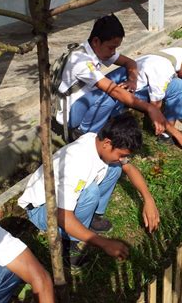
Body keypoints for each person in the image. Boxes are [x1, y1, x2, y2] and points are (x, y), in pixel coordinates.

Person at [18, 113, 160, 267]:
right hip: (42, 210)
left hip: (59, 203)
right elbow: (62, 214)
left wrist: (149, 199)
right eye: (121, 155)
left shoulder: (96, 140)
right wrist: (104, 243)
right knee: (90, 193)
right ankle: (69, 246)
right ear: (107, 143)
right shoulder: (77, 162)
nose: (122, 158)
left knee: (115, 169)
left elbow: (129, 168)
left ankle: (93, 218)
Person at [56, 14, 166, 139]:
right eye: (111, 47)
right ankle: (84, 134)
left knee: (123, 75)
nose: (113, 52)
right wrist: (150, 108)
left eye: (116, 48)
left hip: (88, 98)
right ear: (96, 41)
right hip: (72, 113)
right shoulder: (80, 61)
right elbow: (114, 91)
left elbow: (130, 63)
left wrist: (132, 81)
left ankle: (109, 118)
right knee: (111, 94)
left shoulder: (96, 49)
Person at [110, 47, 182, 143]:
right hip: (130, 92)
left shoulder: (181, 52)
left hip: (142, 80)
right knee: (178, 85)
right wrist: (176, 133)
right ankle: (166, 134)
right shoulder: (163, 71)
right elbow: (155, 107)